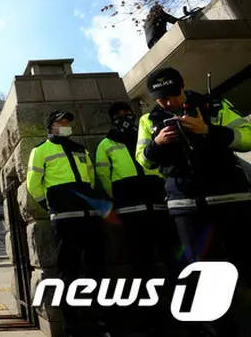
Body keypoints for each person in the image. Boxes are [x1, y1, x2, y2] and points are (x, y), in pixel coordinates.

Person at [135, 67, 251, 336]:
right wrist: (158, 143)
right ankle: (217, 329)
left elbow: (247, 137)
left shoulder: (214, 105)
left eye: (172, 95)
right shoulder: (147, 121)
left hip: (231, 198)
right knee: (201, 273)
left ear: (183, 85)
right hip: (185, 204)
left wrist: (208, 130)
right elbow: (144, 160)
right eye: (161, 98)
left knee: (244, 264)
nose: (168, 102)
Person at [96, 102, 182, 336]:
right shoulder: (106, 143)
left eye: (127, 113)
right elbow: (103, 175)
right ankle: (151, 318)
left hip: (159, 204)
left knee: (174, 259)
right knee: (142, 264)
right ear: (112, 119)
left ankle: (188, 313)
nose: (125, 117)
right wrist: (119, 196)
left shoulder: (146, 134)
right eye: (119, 115)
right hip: (131, 210)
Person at [27, 111, 111, 337]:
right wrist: (52, 205)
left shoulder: (80, 149)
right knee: (69, 271)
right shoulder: (40, 150)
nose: (65, 125)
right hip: (64, 219)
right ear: (50, 126)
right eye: (60, 122)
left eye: (67, 122)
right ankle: (71, 325)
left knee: (97, 269)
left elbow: (91, 178)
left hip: (90, 216)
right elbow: (33, 184)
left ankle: (100, 320)